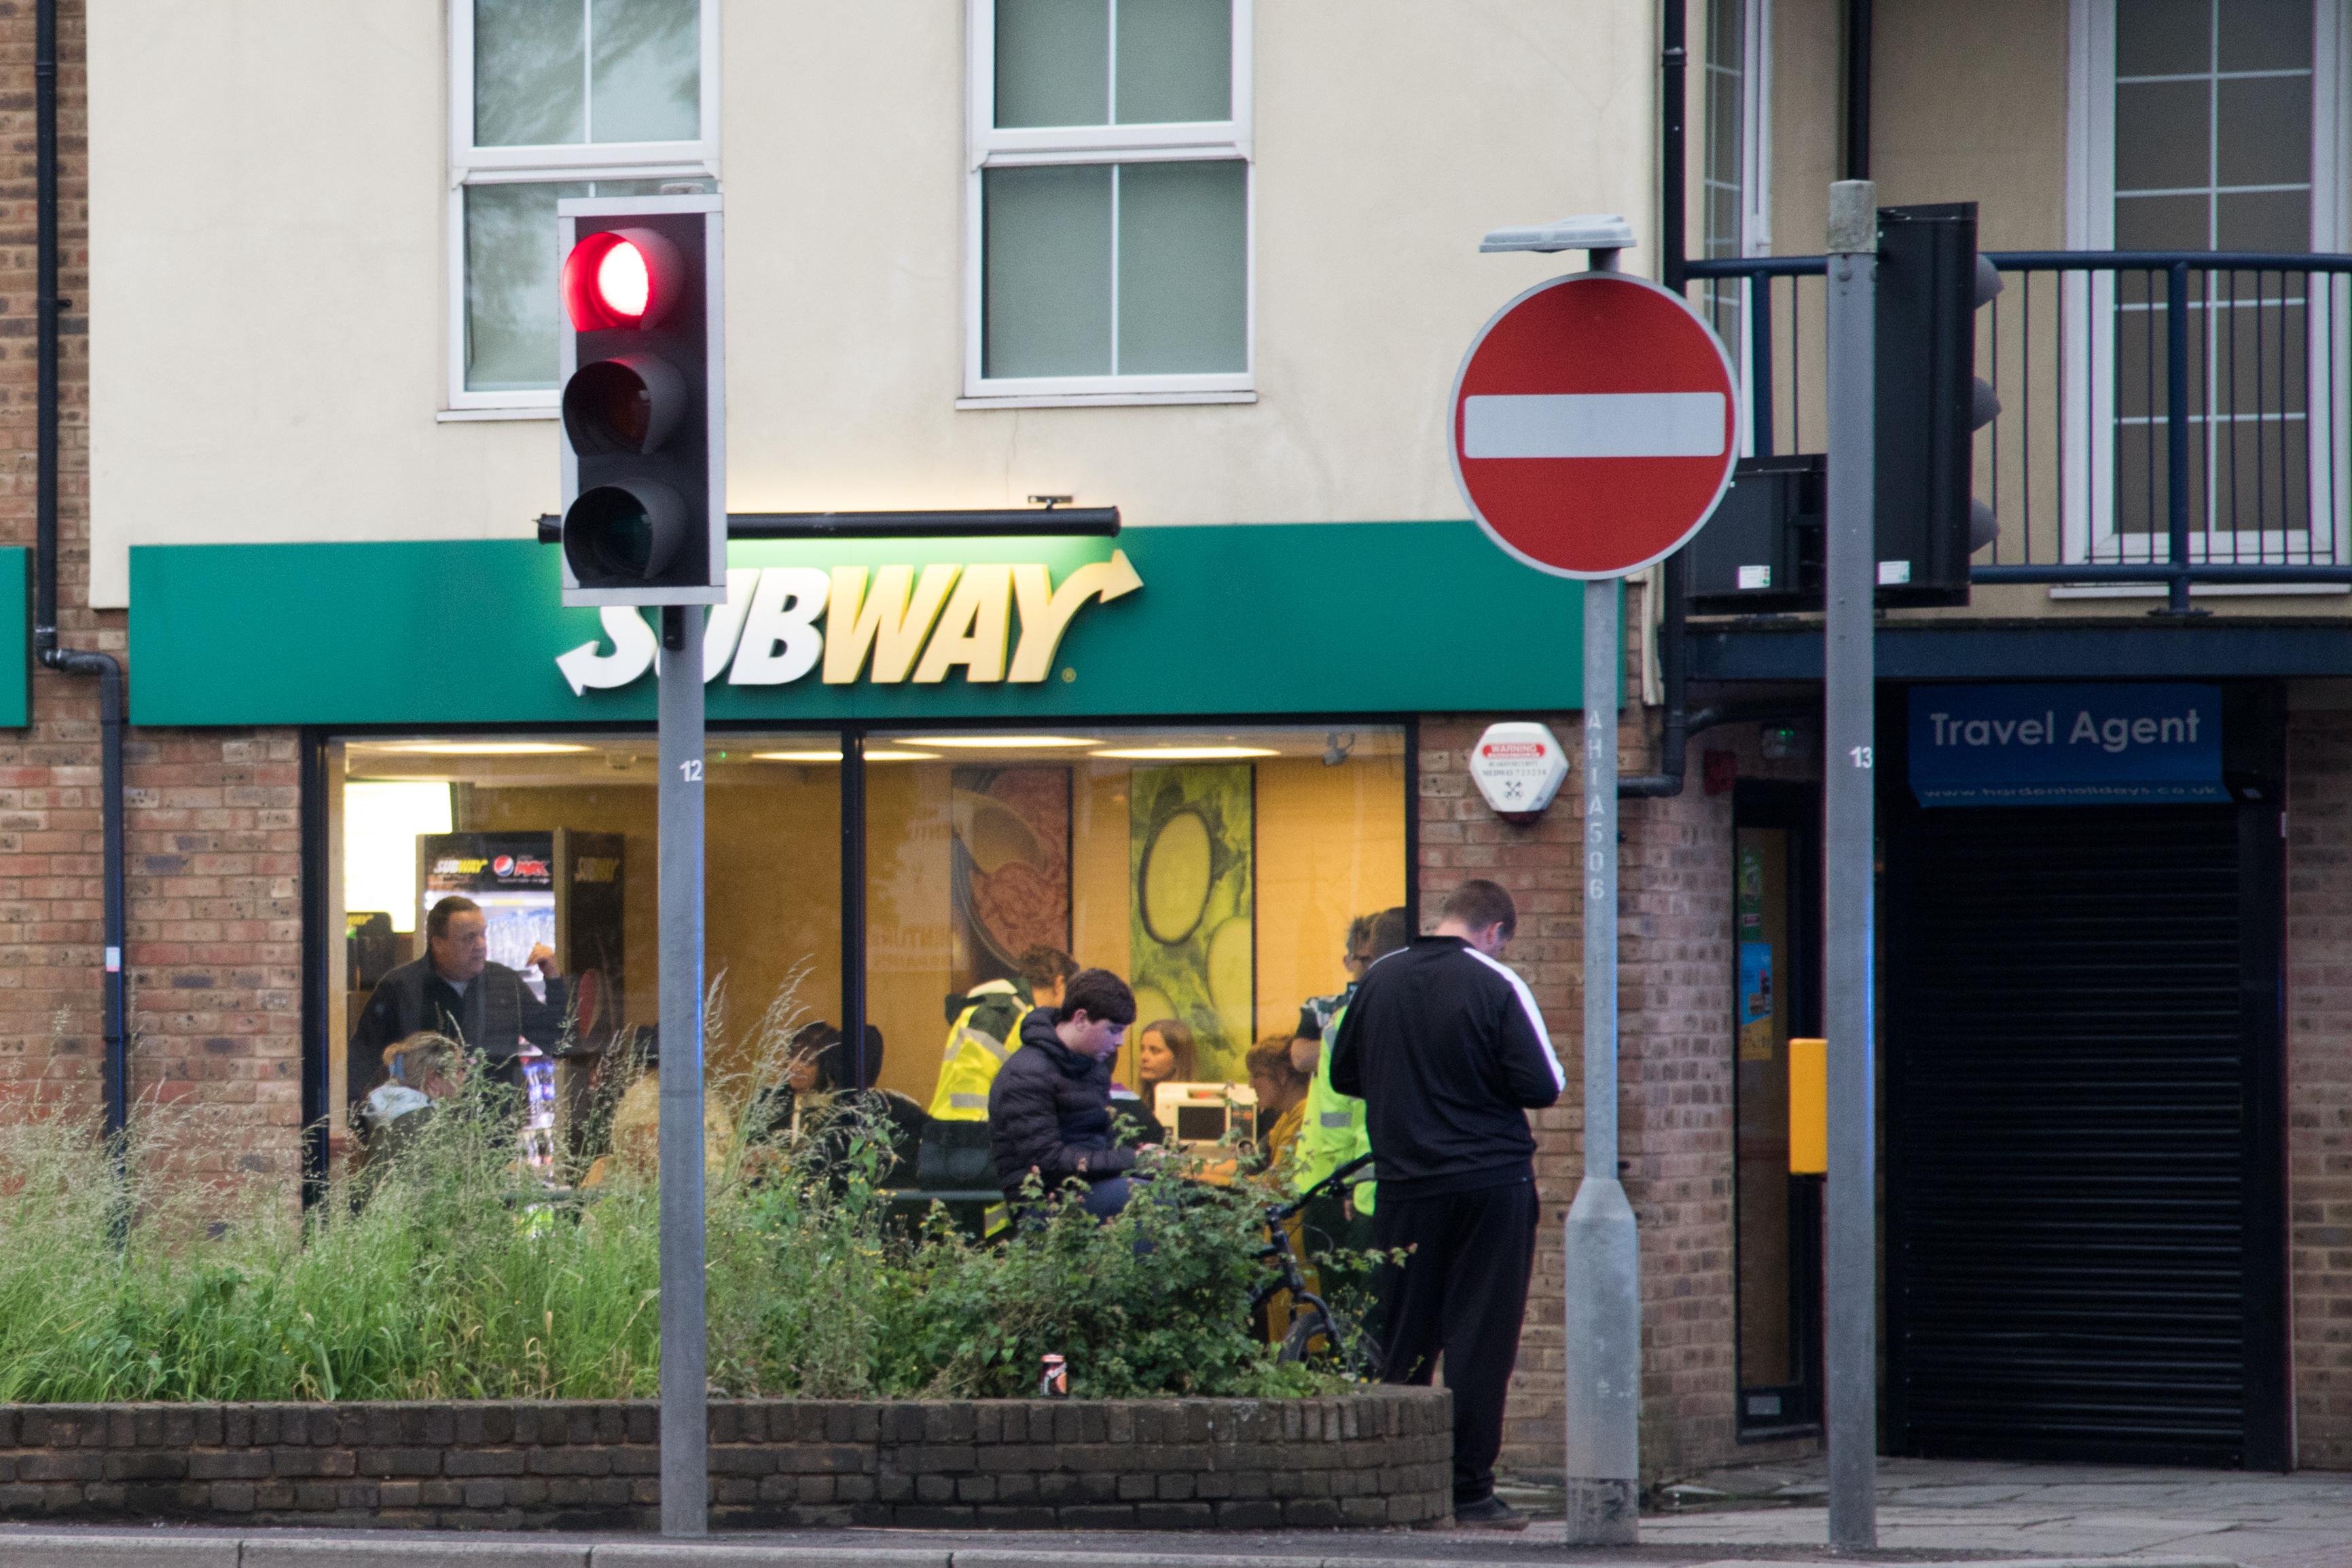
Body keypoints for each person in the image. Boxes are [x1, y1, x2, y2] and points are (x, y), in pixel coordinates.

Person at [1328, 879, 1564, 1531]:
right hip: (1490, 1183)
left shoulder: (1377, 979)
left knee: (1404, 1334)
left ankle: (1397, 1482)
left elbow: (1343, 1074)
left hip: (1405, 1185)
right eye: (1501, 942)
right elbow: (1543, 1084)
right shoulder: (1495, 982)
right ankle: (1470, 1491)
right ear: (1493, 931)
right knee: (1480, 1337)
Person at [348, 895, 568, 1114]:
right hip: (424, 1125)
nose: (480, 945)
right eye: (469, 938)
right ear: (439, 944)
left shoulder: (505, 982)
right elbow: (359, 1063)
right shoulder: (401, 987)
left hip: (494, 1125)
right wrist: (353, 1121)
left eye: (483, 934)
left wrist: (553, 979)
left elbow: (558, 1044)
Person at [987, 966, 1146, 1218]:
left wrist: (1144, 1159)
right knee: (1152, 1197)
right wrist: (1132, 1160)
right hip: (1041, 1204)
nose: (1120, 1042)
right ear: (1080, 1019)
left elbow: (1104, 1142)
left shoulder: (1093, 1065)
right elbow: (1048, 1162)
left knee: (1182, 1188)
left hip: (1090, 1188)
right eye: (1114, 1030)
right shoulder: (1026, 1073)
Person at [1295, 905, 1411, 1230]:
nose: (1369, 968)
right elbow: (1301, 1058)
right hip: (1338, 1182)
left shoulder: (1348, 1019)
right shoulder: (1330, 1011)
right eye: (1363, 959)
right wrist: (1347, 1182)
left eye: (1373, 958)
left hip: (1357, 1184)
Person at [750, 1020, 926, 1184]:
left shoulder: (840, 1110)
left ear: (826, 1065)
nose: (795, 1067)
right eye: (791, 1056)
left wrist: (781, 1161)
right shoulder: (769, 1100)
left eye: (807, 1060)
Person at [928, 944, 1076, 1122]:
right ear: (1059, 984)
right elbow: (971, 1089)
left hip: (951, 1128)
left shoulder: (1006, 1011)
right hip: (967, 1132)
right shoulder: (1005, 1014)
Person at [1130, 1017, 1197, 1124]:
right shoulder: (1135, 1108)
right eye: (1142, 1049)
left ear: (1178, 1059)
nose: (1144, 1057)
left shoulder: (1196, 1109)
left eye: (1155, 1051)